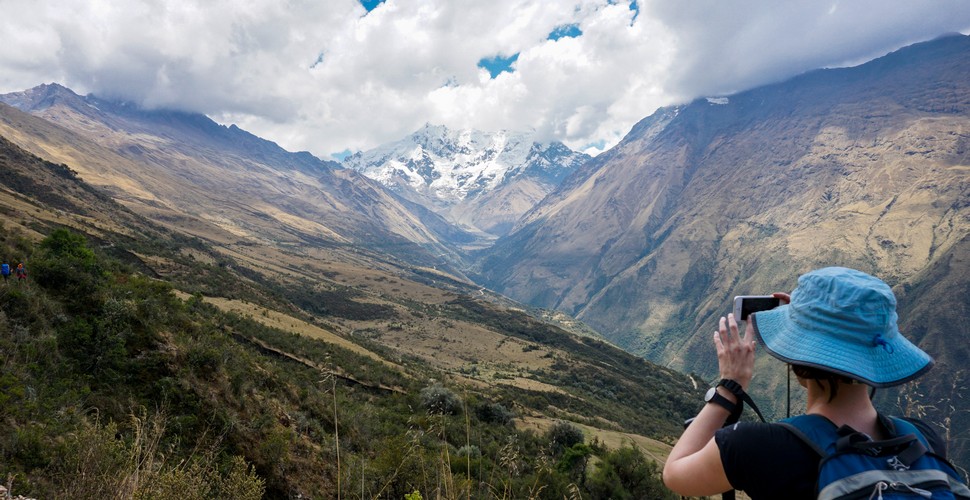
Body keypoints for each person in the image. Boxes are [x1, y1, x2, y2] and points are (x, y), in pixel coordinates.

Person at [662, 267, 941, 499]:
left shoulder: (754, 446)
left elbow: (675, 474)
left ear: (796, 357)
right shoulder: (923, 438)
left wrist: (730, 387)